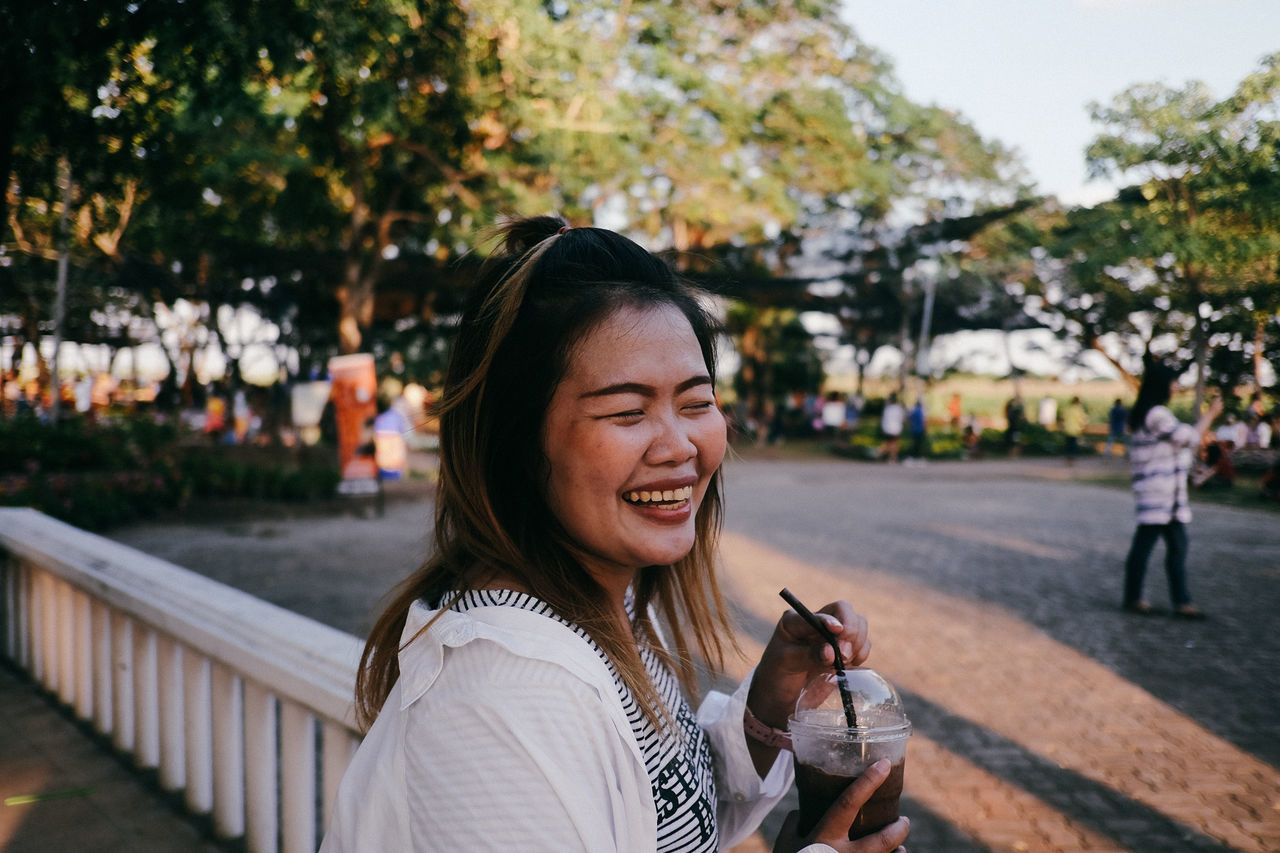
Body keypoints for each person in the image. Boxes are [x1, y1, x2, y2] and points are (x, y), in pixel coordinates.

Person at [319, 217, 908, 853]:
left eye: (695, 402)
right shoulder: (506, 698)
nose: (679, 445)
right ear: (516, 442)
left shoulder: (603, 608)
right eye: (627, 411)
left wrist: (768, 705)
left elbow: (659, 813)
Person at [1121, 359, 1222, 620]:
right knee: (1172, 547)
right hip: (1161, 493)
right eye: (1173, 381)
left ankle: (1145, 598)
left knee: (1155, 546)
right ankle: (1179, 602)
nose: (1176, 387)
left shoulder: (1143, 413)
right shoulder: (1157, 415)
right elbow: (1188, 438)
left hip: (1159, 493)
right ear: (1163, 385)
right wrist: (1210, 415)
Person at [879, 392, 905, 464]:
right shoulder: (898, 408)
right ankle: (892, 458)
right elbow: (901, 418)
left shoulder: (887, 408)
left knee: (887, 443)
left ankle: (880, 455)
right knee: (894, 444)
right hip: (895, 428)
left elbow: (884, 418)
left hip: (887, 428)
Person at [1061, 396, 1086, 466]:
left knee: (1068, 445)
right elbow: (1082, 420)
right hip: (1075, 430)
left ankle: (1067, 459)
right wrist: (1082, 427)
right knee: (1073, 446)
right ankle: (1072, 461)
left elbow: (1063, 418)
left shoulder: (1067, 409)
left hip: (1067, 429)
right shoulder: (1078, 409)